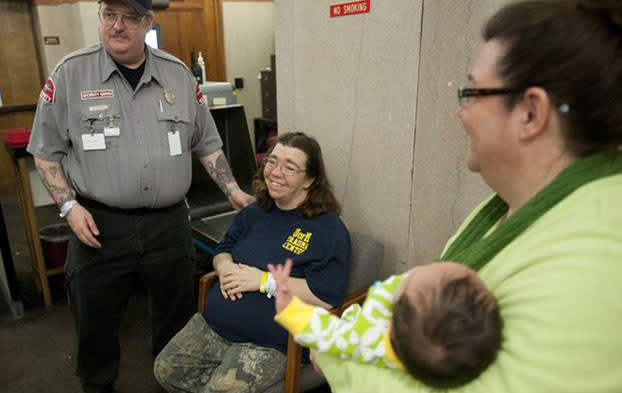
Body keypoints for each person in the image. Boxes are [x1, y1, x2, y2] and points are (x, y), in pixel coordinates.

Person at [311, 1, 622, 392]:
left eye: (472, 92)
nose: (463, 113)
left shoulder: (596, 261)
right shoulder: (499, 211)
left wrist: (337, 356)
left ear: (530, 113)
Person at [27, 0, 253, 392]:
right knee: (94, 319)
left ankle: (169, 382)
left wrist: (232, 190)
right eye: (109, 15)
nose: (118, 26)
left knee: (176, 317)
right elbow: (45, 152)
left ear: (148, 22)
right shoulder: (70, 74)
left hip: (168, 224)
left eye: (130, 18)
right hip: (98, 225)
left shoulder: (178, 76)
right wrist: (69, 206)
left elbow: (207, 145)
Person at [154, 132, 351, 393]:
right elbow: (223, 250)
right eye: (272, 162)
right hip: (214, 325)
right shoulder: (253, 212)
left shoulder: (328, 229)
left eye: (289, 167)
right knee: (164, 370)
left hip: (270, 342)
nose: (276, 172)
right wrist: (225, 268)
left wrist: (263, 281)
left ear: (310, 180)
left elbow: (326, 295)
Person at [269, 259, 502, 389]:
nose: (414, 269)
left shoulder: (368, 340)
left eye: (417, 273)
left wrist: (289, 309)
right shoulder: (439, 360)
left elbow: (324, 331)